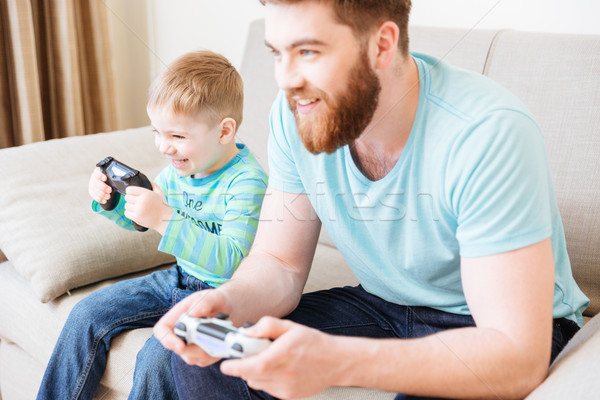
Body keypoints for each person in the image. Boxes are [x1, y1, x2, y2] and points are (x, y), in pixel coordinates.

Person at [154, 1, 590, 399]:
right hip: (383, 305)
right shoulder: (295, 115)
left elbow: (514, 353)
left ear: (381, 45)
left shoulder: (488, 133)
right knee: (211, 362)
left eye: (308, 52)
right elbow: (279, 263)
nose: (286, 80)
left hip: (485, 324)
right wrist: (229, 301)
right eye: (276, 53)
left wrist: (335, 358)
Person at [36, 50, 268, 400]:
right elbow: (141, 222)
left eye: (177, 136)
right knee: (87, 314)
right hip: (178, 280)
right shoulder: (182, 169)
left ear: (224, 131)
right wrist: (113, 202)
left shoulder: (246, 181)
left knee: (157, 359)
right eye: (157, 132)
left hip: (227, 299)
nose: (164, 147)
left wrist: (164, 217)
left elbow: (232, 260)